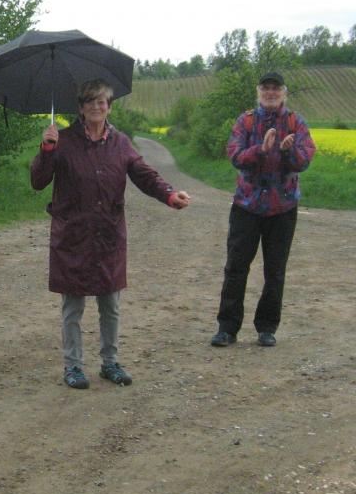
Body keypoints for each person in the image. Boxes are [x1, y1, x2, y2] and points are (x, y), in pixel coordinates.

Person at [30, 79, 191, 389]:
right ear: (80, 108)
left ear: (109, 107)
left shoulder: (121, 143)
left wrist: (170, 195)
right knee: (73, 308)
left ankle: (110, 362)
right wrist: (47, 150)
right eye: (90, 101)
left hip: (109, 237)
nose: (96, 106)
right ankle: (73, 366)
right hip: (73, 237)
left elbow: (145, 176)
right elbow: (38, 181)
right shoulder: (62, 141)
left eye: (102, 101)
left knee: (111, 306)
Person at [211, 72, 316, 348]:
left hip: (282, 207)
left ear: (284, 92)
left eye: (276, 88)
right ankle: (227, 328)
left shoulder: (296, 122)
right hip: (247, 205)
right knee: (235, 267)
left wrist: (287, 151)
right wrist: (260, 149)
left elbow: (305, 160)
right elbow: (235, 156)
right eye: (266, 88)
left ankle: (267, 328)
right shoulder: (245, 121)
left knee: (275, 271)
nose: (271, 93)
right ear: (258, 91)